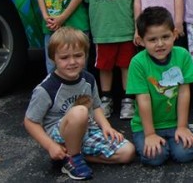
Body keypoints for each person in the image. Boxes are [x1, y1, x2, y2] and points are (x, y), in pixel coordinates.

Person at [24, 27, 135, 180]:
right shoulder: (46, 88)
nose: (72, 62)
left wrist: (107, 127)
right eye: (64, 58)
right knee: (80, 111)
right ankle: (74, 157)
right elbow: (30, 122)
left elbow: (95, 107)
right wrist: (50, 146)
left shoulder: (88, 79)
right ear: (53, 58)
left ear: (85, 55)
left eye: (78, 55)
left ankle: (68, 157)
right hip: (60, 133)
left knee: (127, 152)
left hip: (87, 129)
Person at [126, 7, 193, 166]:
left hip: (175, 123)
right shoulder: (138, 63)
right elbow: (143, 100)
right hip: (146, 127)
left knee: (184, 153)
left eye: (165, 37)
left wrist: (182, 127)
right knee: (155, 157)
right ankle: (164, 143)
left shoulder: (182, 55)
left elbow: (183, 93)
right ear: (141, 41)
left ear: (175, 34)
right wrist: (149, 134)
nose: (160, 44)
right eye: (152, 39)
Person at [86, 0, 136, 120]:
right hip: (103, 30)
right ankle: (105, 99)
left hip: (126, 27)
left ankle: (128, 100)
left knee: (126, 65)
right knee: (104, 66)